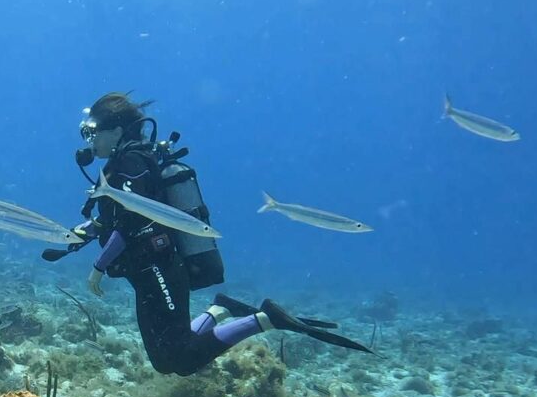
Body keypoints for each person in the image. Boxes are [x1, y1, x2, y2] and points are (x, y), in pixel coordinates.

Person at [54, 92, 370, 376]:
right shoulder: (122, 165)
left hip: (158, 271)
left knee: (178, 359)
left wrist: (97, 269)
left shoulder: (131, 163)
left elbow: (132, 222)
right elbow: (116, 218)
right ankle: (220, 309)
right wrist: (81, 234)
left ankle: (265, 319)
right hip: (147, 273)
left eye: (93, 133)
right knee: (170, 357)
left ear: (117, 131)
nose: (89, 141)